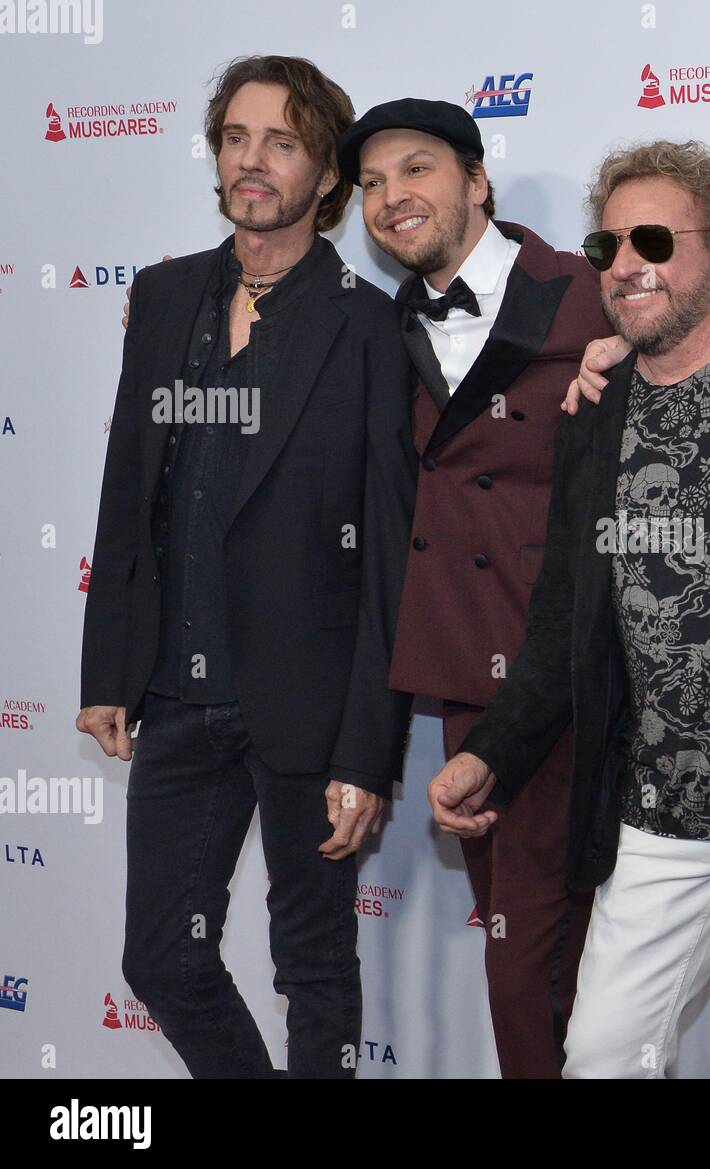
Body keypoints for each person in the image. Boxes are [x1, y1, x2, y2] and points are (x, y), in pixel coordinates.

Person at [429, 140, 710, 1079]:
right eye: (605, 247)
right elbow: (564, 613)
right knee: (599, 1057)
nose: (625, 265)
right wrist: (490, 751)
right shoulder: (595, 404)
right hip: (657, 818)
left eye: (650, 240)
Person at [76, 55, 416, 1078]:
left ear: (326, 176)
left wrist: (369, 746)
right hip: (176, 697)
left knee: (314, 966)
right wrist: (107, 670)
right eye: (234, 137)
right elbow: (128, 483)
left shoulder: (366, 321)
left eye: (280, 142)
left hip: (306, 703)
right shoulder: (167, 293)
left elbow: (388, 545)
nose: (250, 161)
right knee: (160, 958)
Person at [335, 99, 608, 1078]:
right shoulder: (376, 325)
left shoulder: (589, 292)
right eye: (369, 185)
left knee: (531, 958)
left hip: (580, 674)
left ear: (477, 181)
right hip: (465, 681)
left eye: (416, 170)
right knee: (533, 949)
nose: (390, 198)